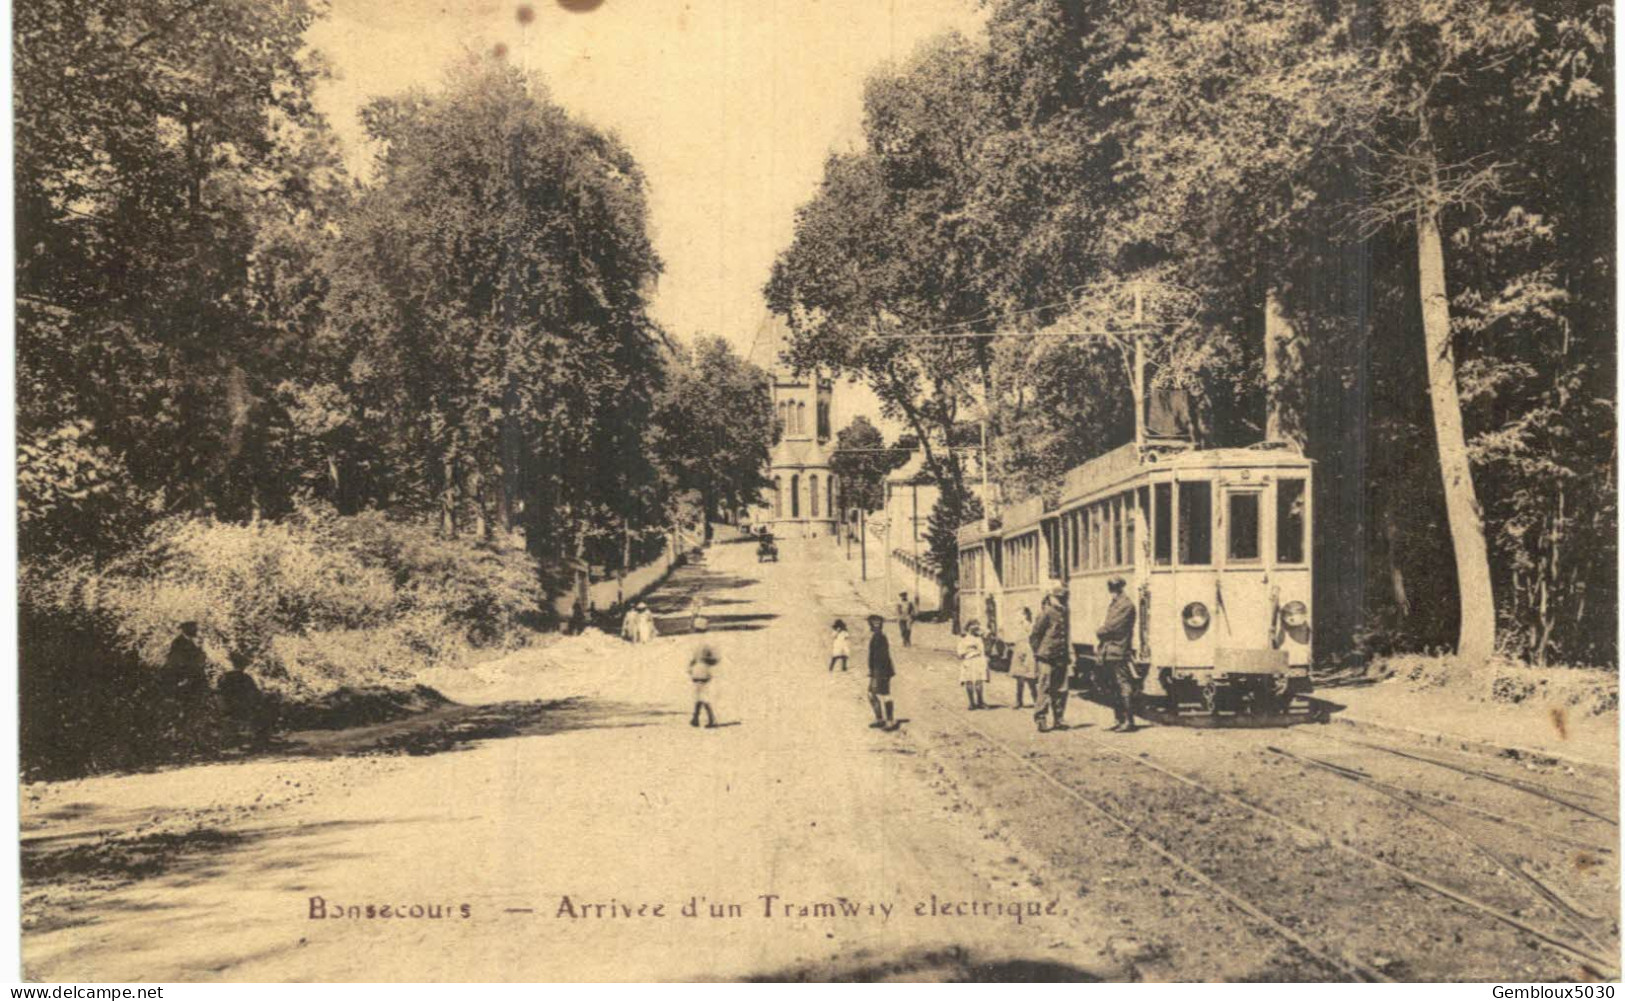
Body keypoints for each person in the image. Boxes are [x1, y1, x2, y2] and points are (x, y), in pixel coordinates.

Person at [1098, 576, 1140, 732]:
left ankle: (1129, 721)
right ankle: (1119, 719)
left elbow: (1110, 627)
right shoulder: (1117, 603)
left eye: (1114, 589)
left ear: (1120, 588)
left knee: (1123, 684)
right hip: (1110, 650)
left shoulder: (1125, 605)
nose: (1113, 592)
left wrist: (1100, 631)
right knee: (1114, 685)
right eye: (1112, 589)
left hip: (1119, 650)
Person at [1029, 585, 1071, 733]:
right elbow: (1035, 635)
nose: (1061, 601)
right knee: (1044, 688)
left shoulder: (1064, 612)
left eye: (1063, 599)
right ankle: (1041, 719)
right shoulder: (1046, 613)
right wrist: (1039, 652)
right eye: (1058, 598)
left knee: (1061, 689)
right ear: (1052, 598)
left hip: (1061, 656)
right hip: (1046, 656)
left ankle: (1058, 718)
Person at [217, 651, 275, 748]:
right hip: (243, 707)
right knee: (266, 709)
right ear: (243, 665)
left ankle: (245, 739)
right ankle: (261, 739)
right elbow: (255, 694)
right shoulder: (245, 678)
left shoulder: (223, 677)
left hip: (227, 707)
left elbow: (221, 692)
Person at [865, 614, 897, 731]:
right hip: (879, 670)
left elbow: (881, 657)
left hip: (881, 670)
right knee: (873, 694)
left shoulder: (879, 637)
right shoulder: (878, 636)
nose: (875, 626)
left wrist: (876, 673)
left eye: (877, 623)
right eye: (873, 623)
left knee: (883, 694)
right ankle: (881, 719)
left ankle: (889, 720)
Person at [687, 622, 720, 728]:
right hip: (704, 669)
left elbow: (691, 658)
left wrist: (690, 668)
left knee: (700, 694)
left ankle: (701, 718)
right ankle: (698, 718)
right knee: (701, 694)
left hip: (696, 669)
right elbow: (715, 658)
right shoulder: (708, 642)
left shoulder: (693, 641)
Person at [1008, 607, 1039, 710]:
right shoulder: (1019, 626)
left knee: (1030, 678)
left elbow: (1032, 638)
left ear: (1025, 615)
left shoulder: (1028, 625)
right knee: (1019, 678)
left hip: (1026, 652)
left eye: (1019, 614)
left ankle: (1037, 701)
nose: (1017, 616)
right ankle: (1019, 701)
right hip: (1019, 651)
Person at [957, 621, 989, 709]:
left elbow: (983, 650)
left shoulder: (979, 639)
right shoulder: (964, 640)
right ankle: (971, 703)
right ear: (968, 628)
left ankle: (980, 702)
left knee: (979, 681)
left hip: (978, 661)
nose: (974, 628)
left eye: (976, 627)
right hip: (968, 661)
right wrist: (969, 651)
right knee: (969, 681)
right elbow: (960, 653)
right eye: (972, 626)